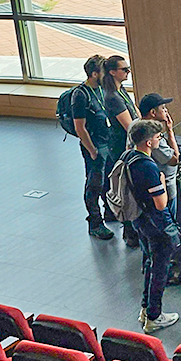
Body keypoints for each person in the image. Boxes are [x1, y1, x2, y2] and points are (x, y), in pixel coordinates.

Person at [125, 118, 180, 333]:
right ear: (148, 142)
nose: (160, 139)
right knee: (160, 267)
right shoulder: (148, 166)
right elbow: (161, 203)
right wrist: (162, 182)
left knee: (149, 262)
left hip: (139, 219)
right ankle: (154, 316)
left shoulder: (129, 156)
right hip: (156, 223)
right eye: (158, 137)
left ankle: (146, 308)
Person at [140, 92, 181, 287]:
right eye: (163, 108)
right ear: (153, 113)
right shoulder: (153, 138)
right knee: (164, 229)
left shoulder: (138, 130)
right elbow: (174, 159)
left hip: (154, 192)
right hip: (165, 189)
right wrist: (170, 132)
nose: (166, 111)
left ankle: (153, 264)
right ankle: (165, 270)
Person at [70, 55, 115, 240]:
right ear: (94, 74)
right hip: (95, 146)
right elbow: (79, 127)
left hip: (107, 143)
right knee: (94, 183)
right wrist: (92, 150)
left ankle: (110, 212)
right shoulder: (80, 95)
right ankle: (95, 223)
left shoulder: (102, 90)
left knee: (108, 180)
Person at [101, 55, 139, 247]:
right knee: (127, 188)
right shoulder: (112, 97)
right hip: (120, 148)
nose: (127, 72)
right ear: (112, 72)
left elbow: (135, 113)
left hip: (123, 145)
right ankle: (130, 231)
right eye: (124, 69)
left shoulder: (120, 90)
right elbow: (130, 126)